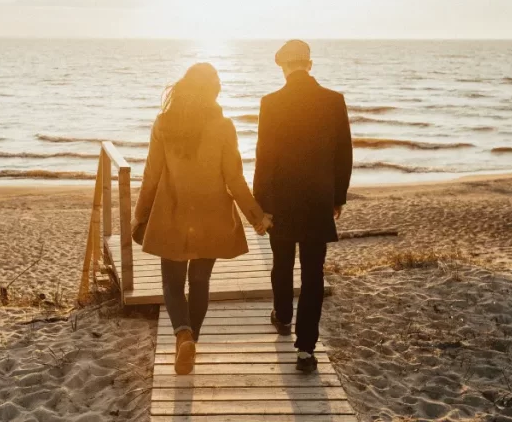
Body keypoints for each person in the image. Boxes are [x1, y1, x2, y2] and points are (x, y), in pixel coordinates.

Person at [133, 62, 272, 375]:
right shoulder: (224, 127)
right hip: (212, 215)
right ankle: (191, 339)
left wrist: (139, 216)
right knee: (199, 281)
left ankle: (183, 335)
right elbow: (234, 180)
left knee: (171, 282)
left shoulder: (163, 123)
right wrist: (256, 216)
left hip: (171, 213)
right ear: (213, 92)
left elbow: (151, 176)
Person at [253, 40, 352, 373]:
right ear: (309, 65)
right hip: (317, 199)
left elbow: (263, 158)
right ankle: (306, 349)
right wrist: (338, 196)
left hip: (280, 200)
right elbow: (344, 154)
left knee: (282, 263)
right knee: (312, 274)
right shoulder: (333, 101)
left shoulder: (271, 103)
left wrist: (260, 205)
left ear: (283, 67)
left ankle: (282, 316)